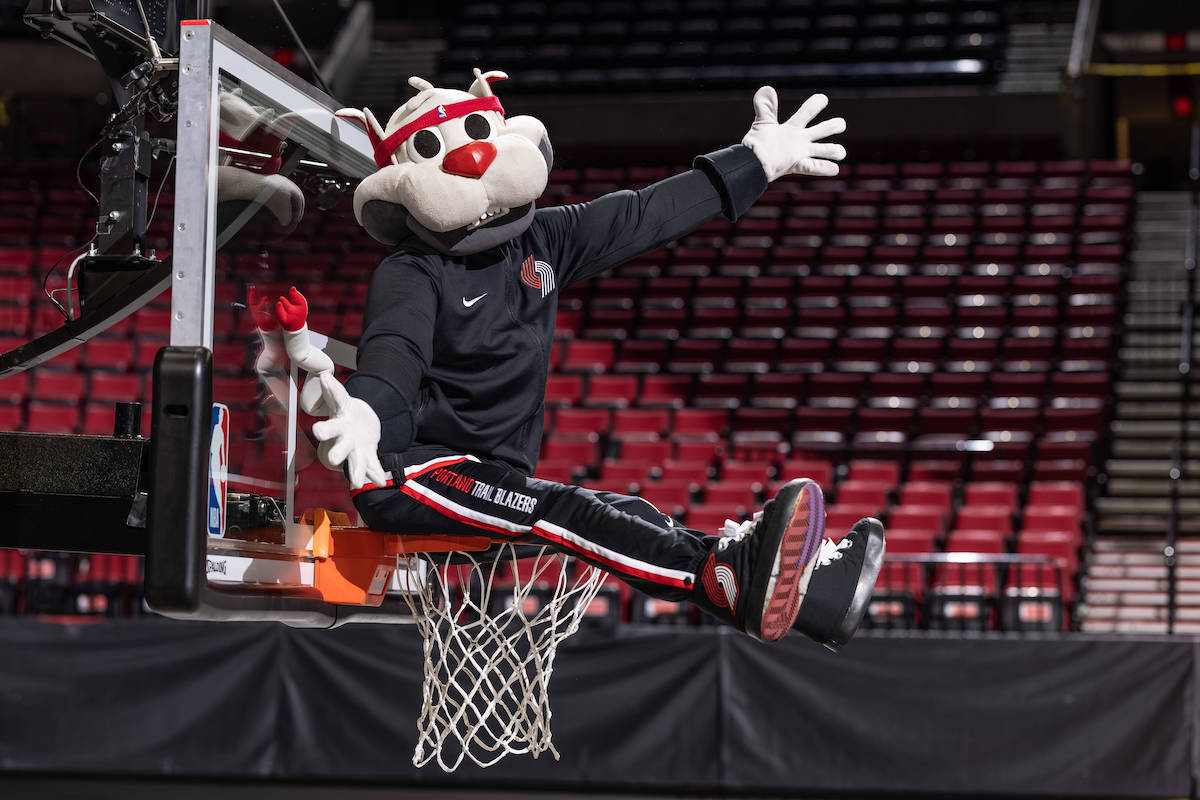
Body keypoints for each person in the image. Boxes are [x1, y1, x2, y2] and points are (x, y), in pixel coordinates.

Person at [278, 70, 885, 650]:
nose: (470, 160)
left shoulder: (543, 238)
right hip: (410, 474)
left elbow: (644, 214)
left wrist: (753, 162)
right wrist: (372, 414)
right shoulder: (411, 269)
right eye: (440, 149)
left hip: (489, 474)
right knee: (568, 510)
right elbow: (395, 354)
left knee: (625, 511)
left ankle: (809, 599)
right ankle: (718, 580)